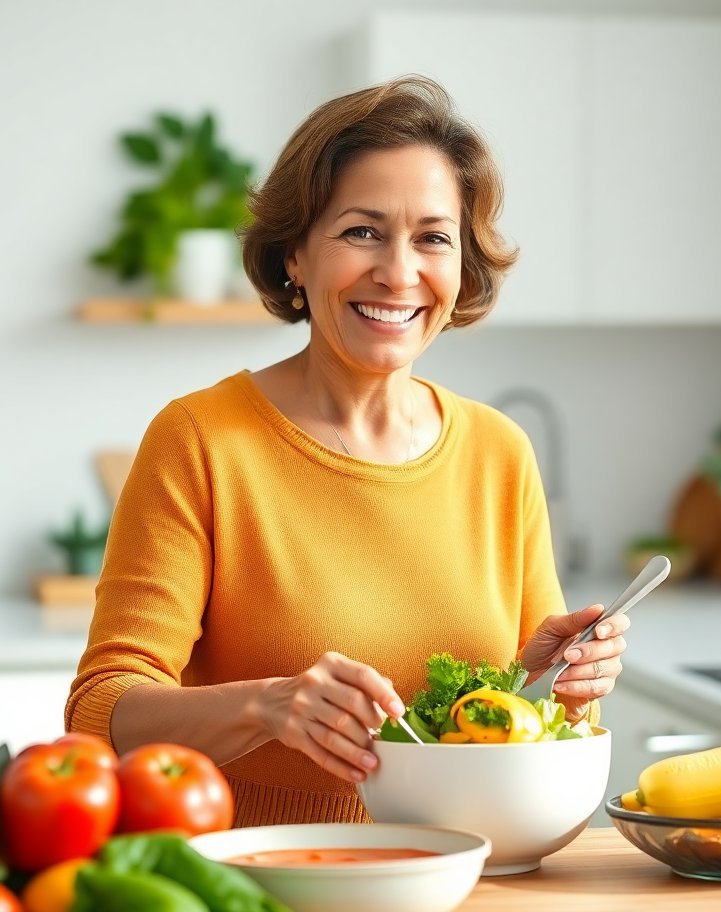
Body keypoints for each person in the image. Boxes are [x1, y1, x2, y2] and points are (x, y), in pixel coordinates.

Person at [66, 77, 629, 827]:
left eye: (433, 237)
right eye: (362, 231)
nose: (399, 273)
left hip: (464, 876)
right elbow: (100, 712)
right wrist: (268, 705)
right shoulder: (201, 442)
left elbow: (541, 735)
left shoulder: (500, 453)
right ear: (295, 254)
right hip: (260, 881)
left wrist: (547, 684)